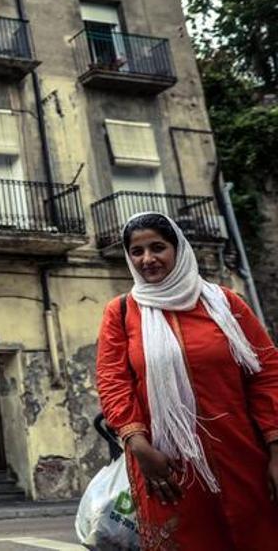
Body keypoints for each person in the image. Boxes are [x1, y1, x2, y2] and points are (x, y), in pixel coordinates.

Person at [96, 212, 278, 549]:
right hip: (166, 466)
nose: (147, 259)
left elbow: (266, 373)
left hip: (242, 456)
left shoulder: (225, 304)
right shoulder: (121, 312)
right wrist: (138, 445)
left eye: (157, 247)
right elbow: (112, 381)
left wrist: (276, 450)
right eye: (137, 252)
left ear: (178, 249)